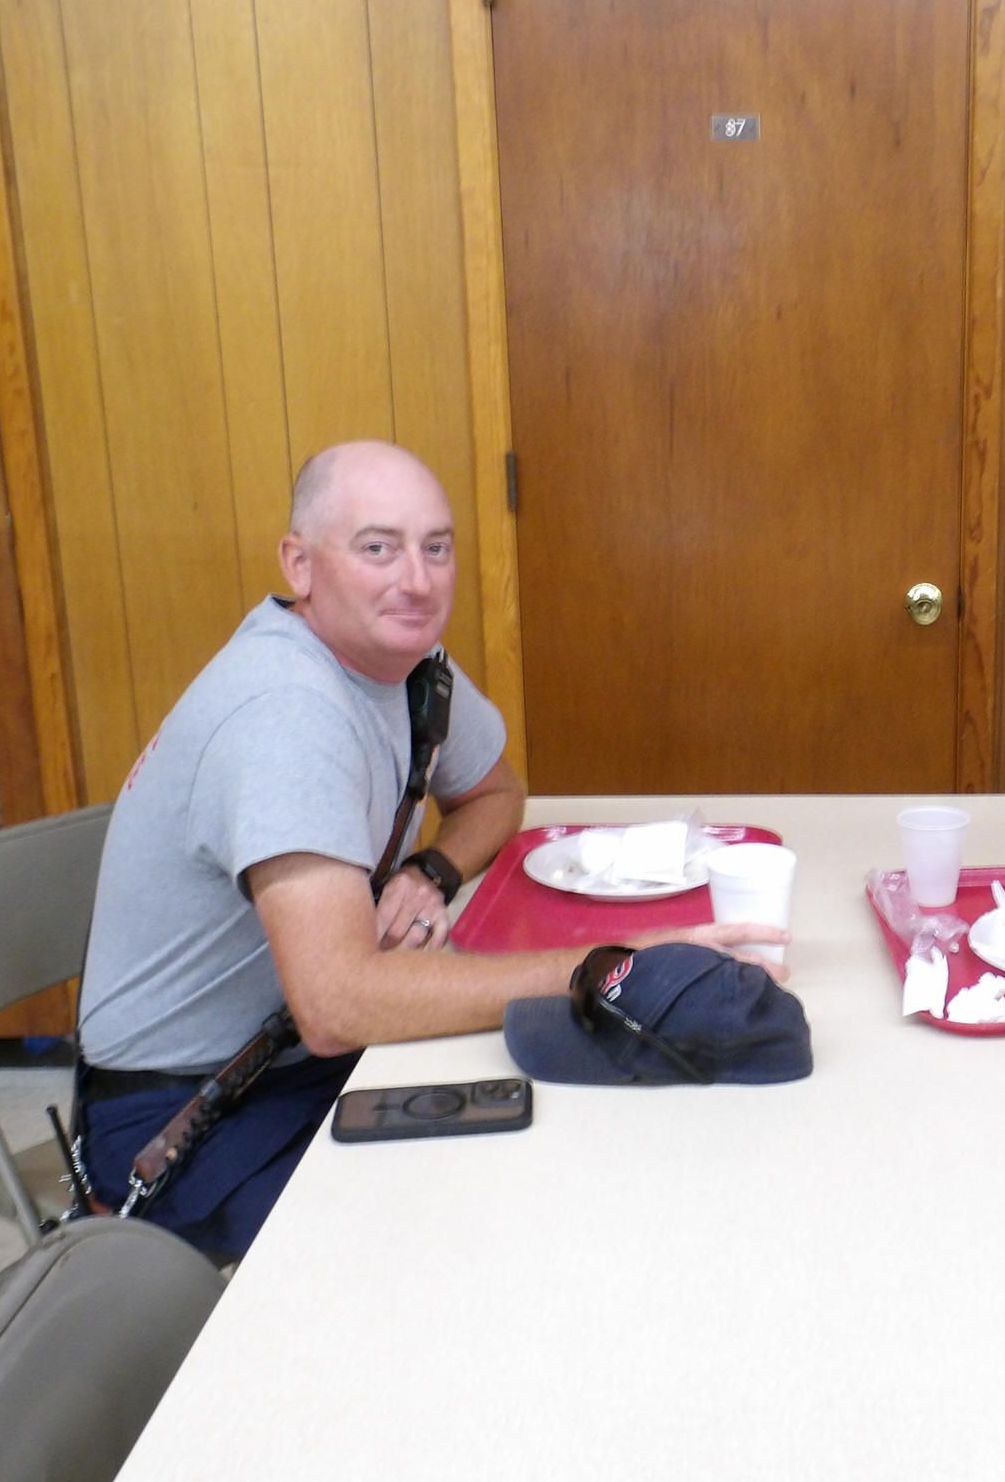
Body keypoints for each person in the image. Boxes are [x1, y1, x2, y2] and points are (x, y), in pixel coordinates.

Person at [74, 440, 782, 1256]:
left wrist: (429, 870)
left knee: (574, 1115)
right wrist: (613, 963)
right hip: (188, 1118)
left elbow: (495, 794)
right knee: (490, 1220)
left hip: (302, 1056)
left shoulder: (408, 668)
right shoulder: (285, 713)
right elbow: (341, 1005)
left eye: (436, 548)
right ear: (300, 565)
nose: (416, 580)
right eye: (378, 548)